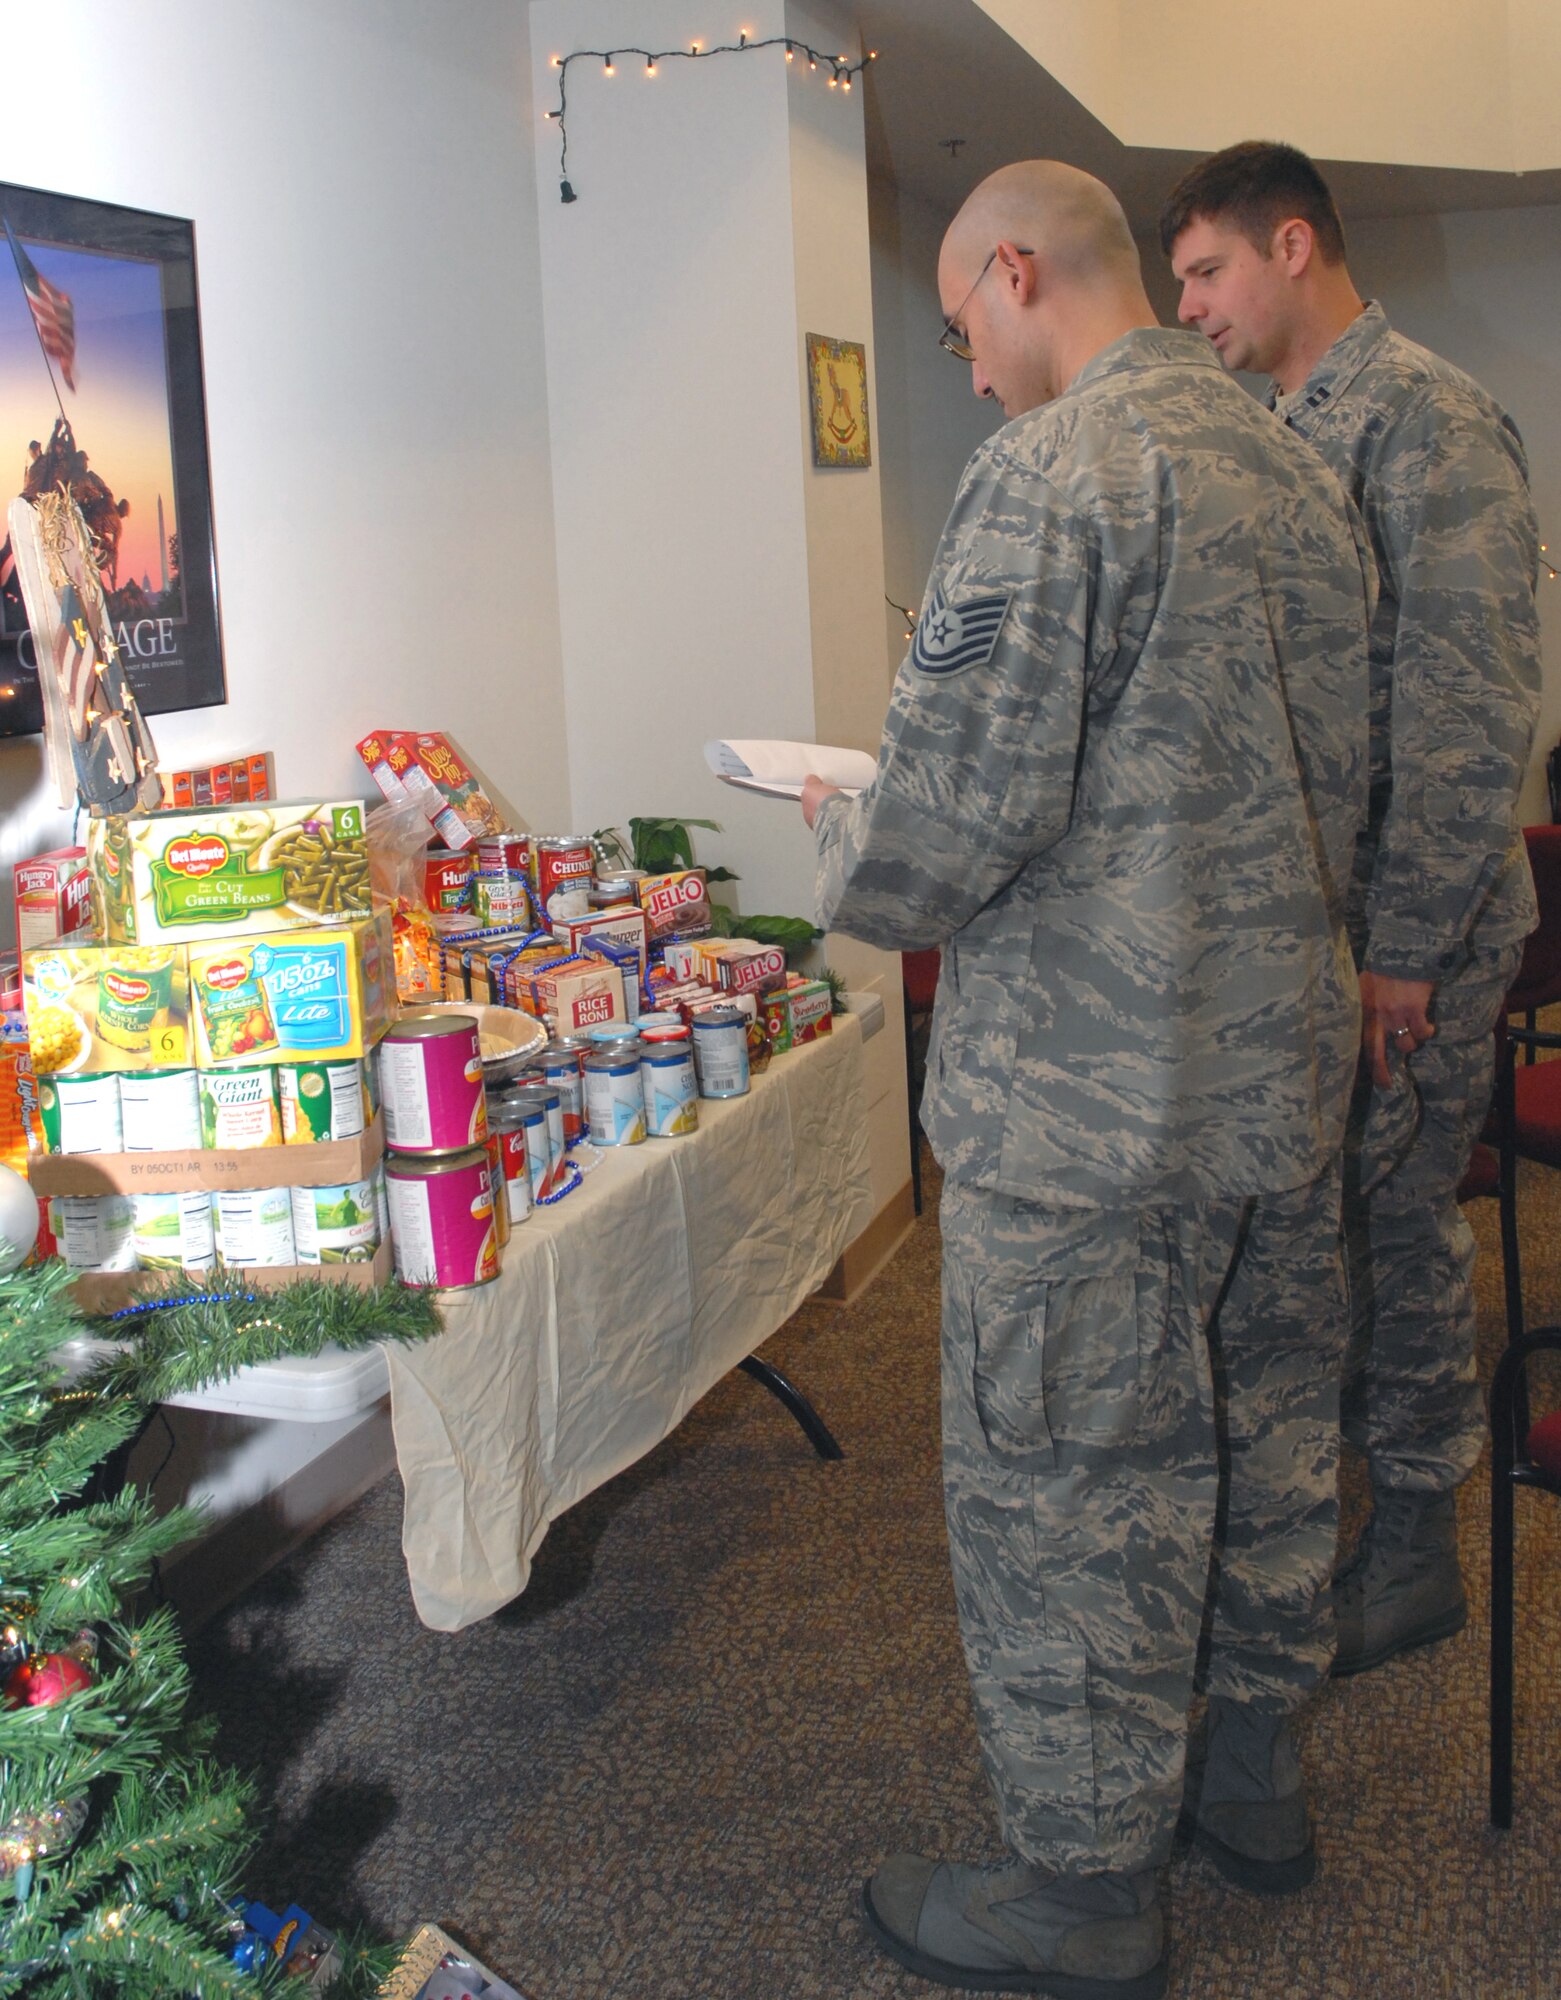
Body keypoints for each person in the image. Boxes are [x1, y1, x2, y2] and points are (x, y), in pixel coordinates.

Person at [801, 160, 1373, 1996]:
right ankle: (1251, 1783)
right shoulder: (1302, 467)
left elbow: (947, 825)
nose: (968, 370)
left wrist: (843, 833)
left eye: (966, 322)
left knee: (1072, 1488)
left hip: (1089, 1112)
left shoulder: (1053, 477)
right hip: (1279, 1081)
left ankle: (1078, 1886)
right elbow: (1339, 795)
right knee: (1265, 1440)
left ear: (1019, 271)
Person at [1160, 142, 1543, 1678]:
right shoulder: (1284, 432)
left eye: (1204, 272)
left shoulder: (1427, 418)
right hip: (1328, 936)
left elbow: (1467, 711)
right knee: (1323, 1236)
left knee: (1393, 1233)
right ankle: (1335, 1515)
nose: (1185, 305)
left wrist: (1394, 957)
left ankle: (1414, 1549)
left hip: (1418, 934)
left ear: (1294, 244)